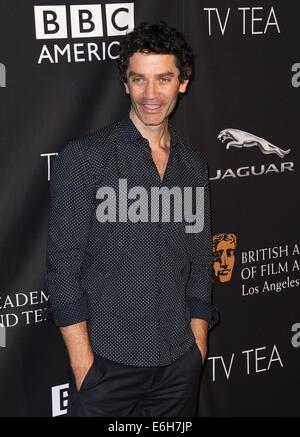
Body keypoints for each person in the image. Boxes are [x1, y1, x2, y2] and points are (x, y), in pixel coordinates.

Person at [46, 21, 218, 417]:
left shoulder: (193, 166)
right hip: (107, 366)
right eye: (139, 79)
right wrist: (83, 366)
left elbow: (199, 260)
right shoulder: (85, 158)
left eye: (163, 79)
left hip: (179, 363)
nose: (151, 94)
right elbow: (62, 268)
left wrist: (198, 342)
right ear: (126, 83)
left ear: (183, 83)